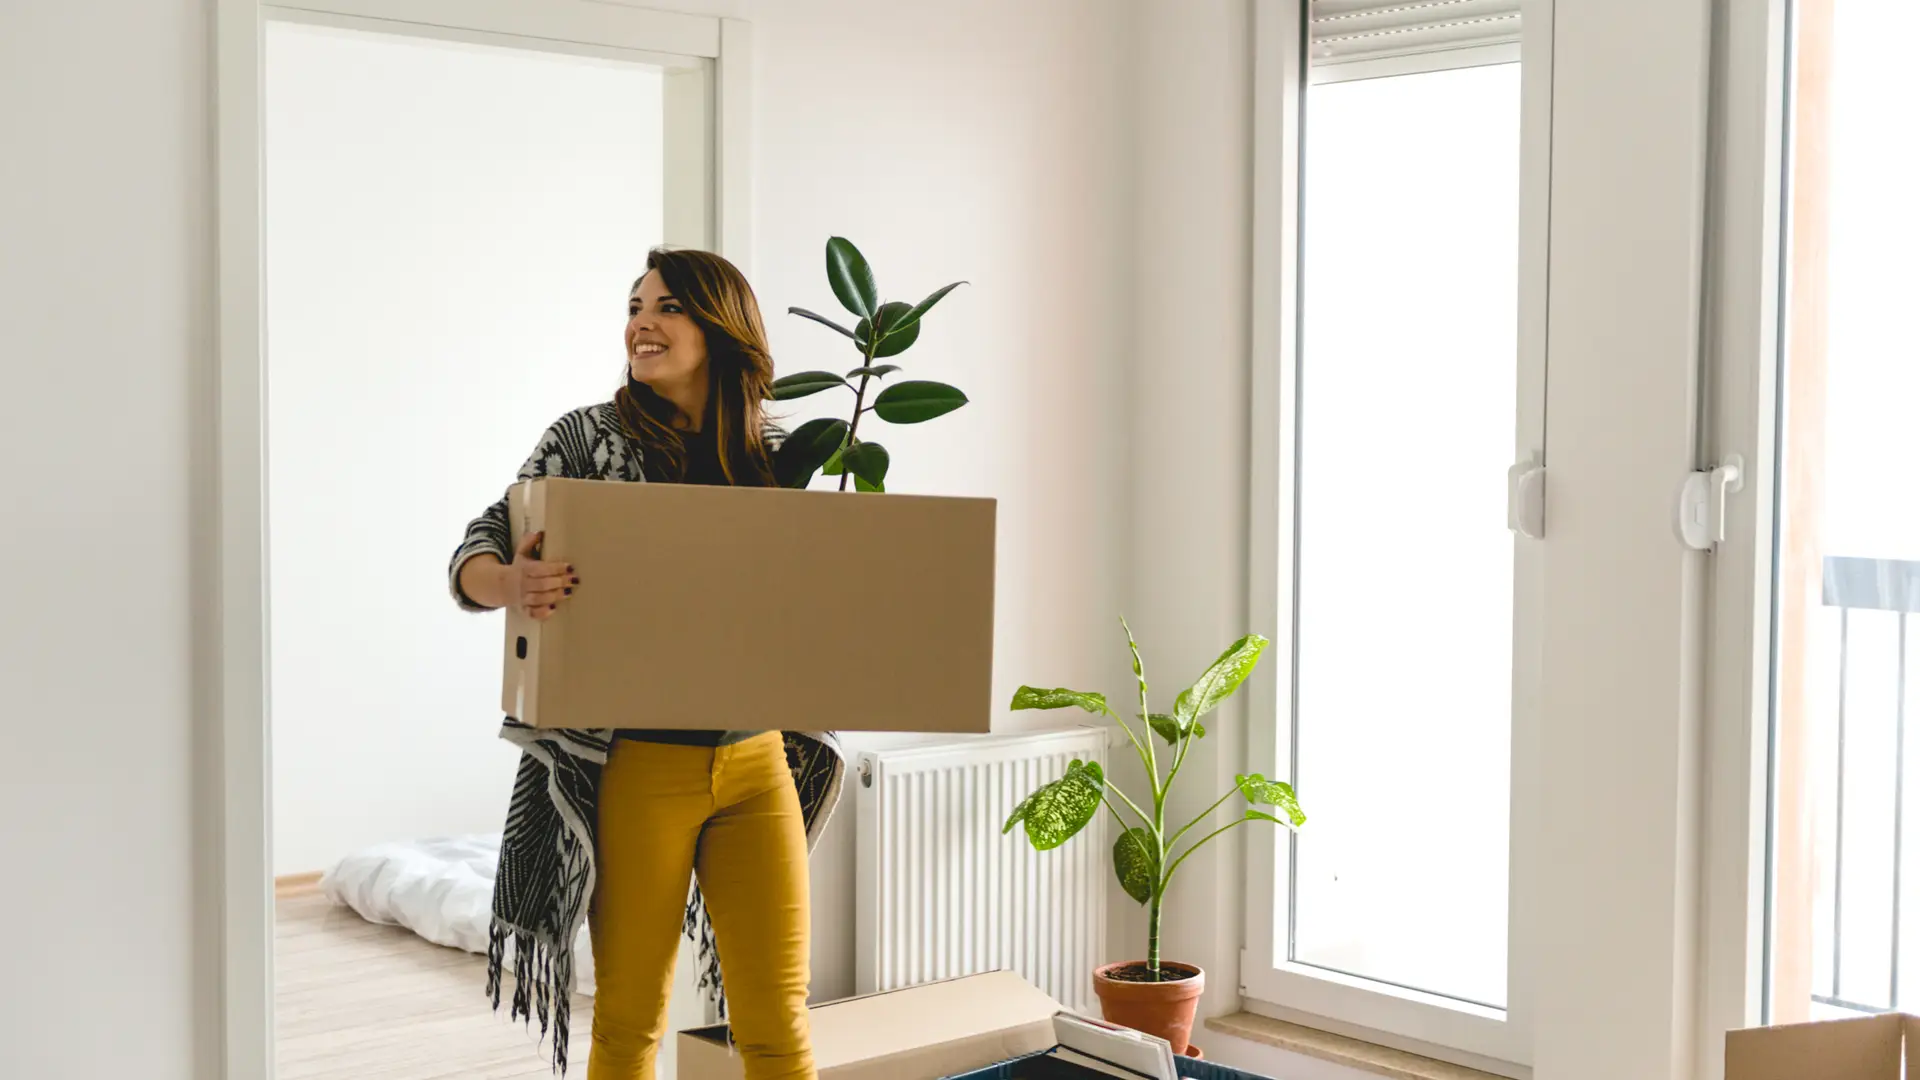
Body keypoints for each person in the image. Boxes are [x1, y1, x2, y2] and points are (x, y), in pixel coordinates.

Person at [448, 248, 846, 1079]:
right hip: (637, 767)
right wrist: (511, 582)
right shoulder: (585, 438)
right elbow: (482, 541)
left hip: (758, 761)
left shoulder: (775, 455)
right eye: (635, 306)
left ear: (721, 324)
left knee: (778, 1022)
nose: (641, 323)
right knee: (631, 1022)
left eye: (667, 307)